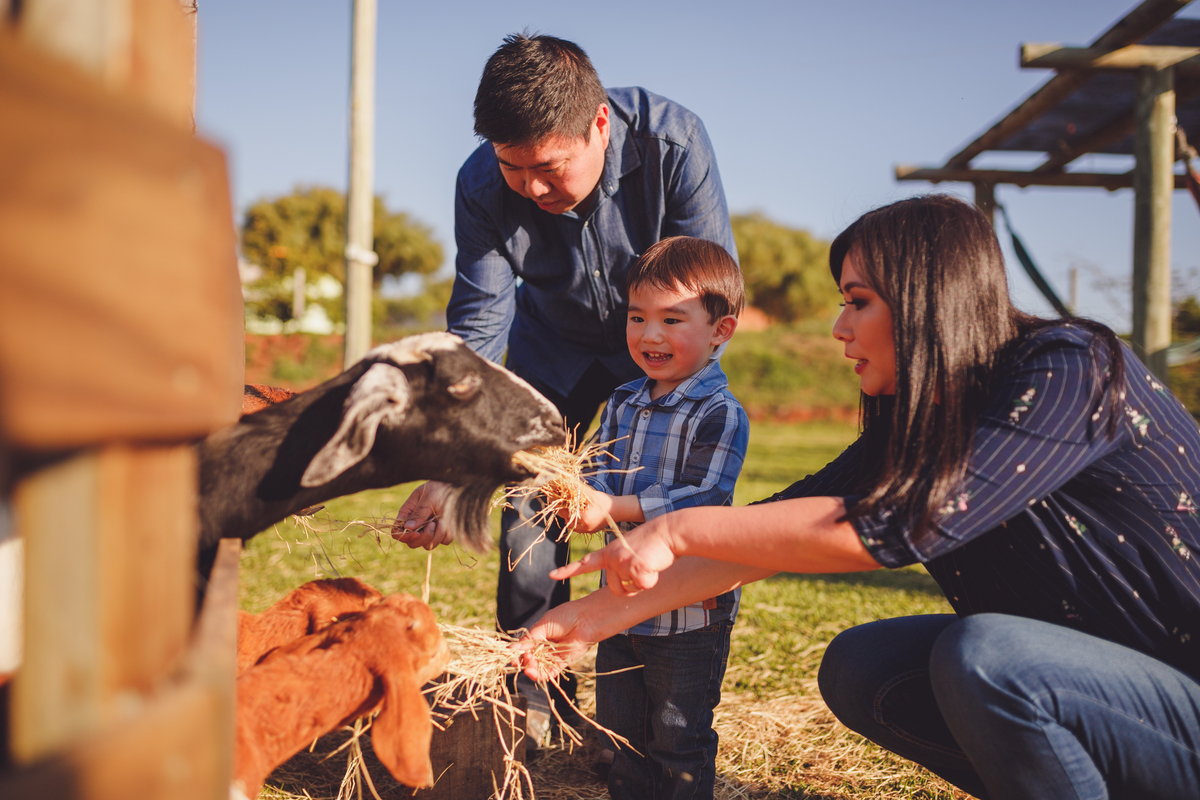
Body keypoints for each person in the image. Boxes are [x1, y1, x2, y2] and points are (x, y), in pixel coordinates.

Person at [523, 194, 1200, 799]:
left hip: (1181, 695)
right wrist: (588, 620)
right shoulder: (918, 419)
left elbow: (900, 524)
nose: (839, 327)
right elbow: (762, 542)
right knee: (863, 668)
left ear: (927, 297)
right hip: (1099, 690)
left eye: (859, 301)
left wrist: (675, 529)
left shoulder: (1070, 366)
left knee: (988, 660)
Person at [391, 32, 738, 743]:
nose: (531, 189)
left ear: (599, 124)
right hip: (549, 356)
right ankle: (532, 686)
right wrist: (453, 464)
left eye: (549, 169)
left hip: (657, 351)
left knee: (649, 501)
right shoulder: (480, 185)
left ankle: (646, 692)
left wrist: (669, 394)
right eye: (513, 169)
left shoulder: (675, 145)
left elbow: (705, 293)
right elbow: (480, 323)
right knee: (531, 504)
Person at [564, 236, 749, 800]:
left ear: (720, 330)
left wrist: (615, 507)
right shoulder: (623, 401)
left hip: (689, 617)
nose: (649, 335)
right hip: (620, 605)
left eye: (672, 319)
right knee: (620, 737)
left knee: (677, 736)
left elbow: (705, 496)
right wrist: (579, 495)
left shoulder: (720, 413)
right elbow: (597, 469)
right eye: (637, 316)